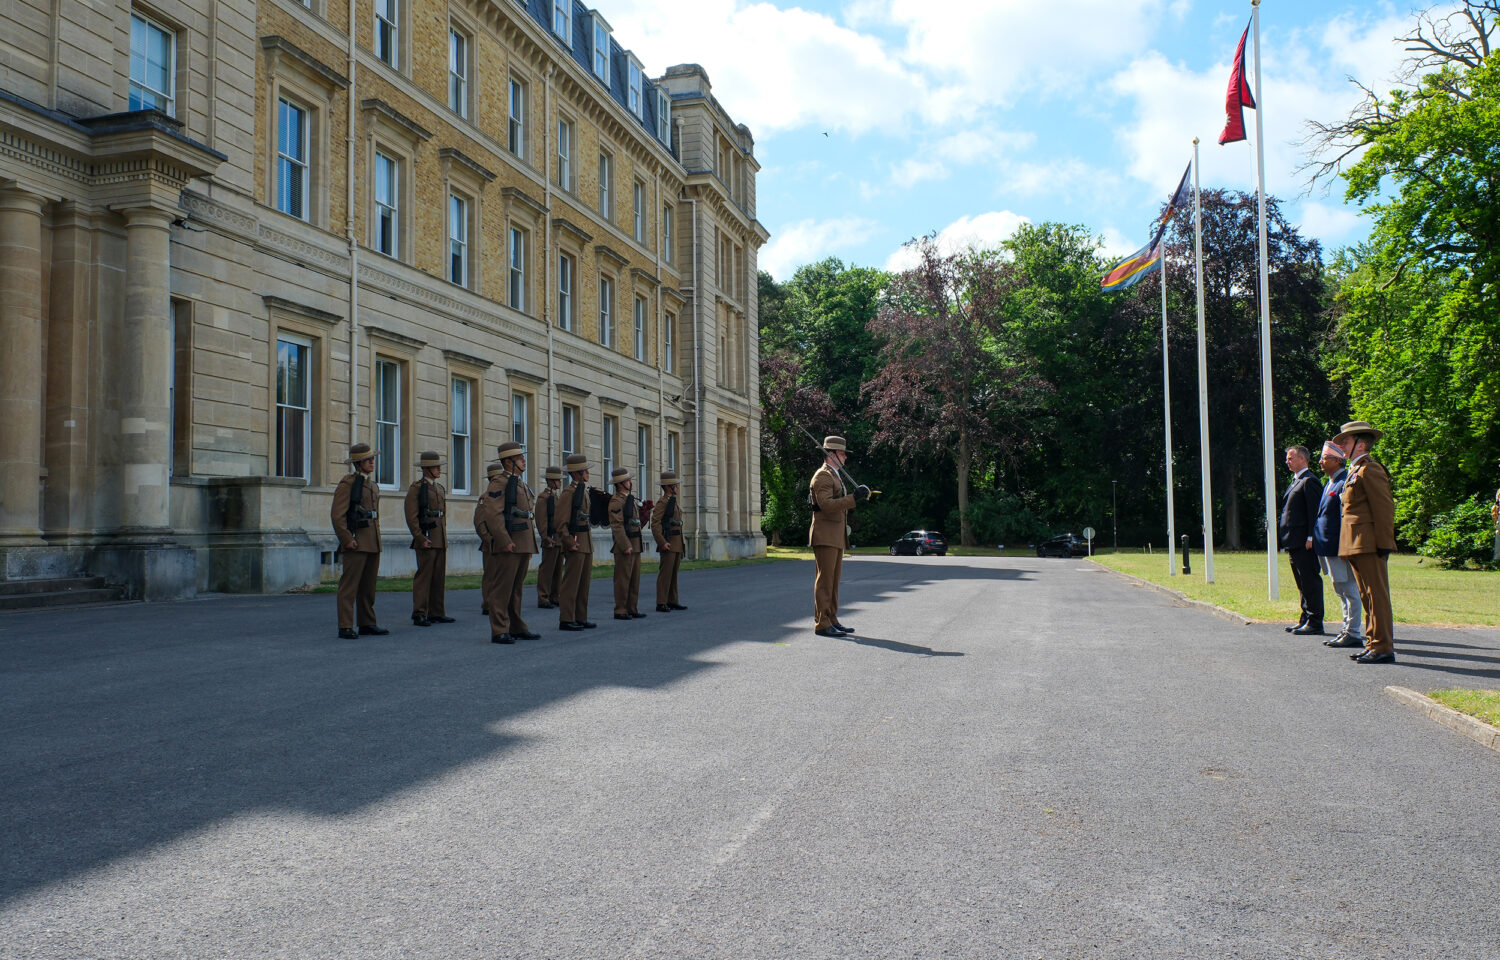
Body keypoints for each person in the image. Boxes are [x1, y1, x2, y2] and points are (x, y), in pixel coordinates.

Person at [1335, 420, 1398, 664]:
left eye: (1346, 442)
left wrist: (1384, 543)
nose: (1342, 446)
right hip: (1357, 542)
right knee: (1366, 596)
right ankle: (1373, 643)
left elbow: (1383, 508)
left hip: (1370, 543)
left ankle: (1383, 647)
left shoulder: (1370, 470)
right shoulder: (1356, 470)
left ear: (1361, 445)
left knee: (1377, 595)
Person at [475, 441, 539, 644]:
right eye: (520, 458)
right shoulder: (499, 483)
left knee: (516, 588)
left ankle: (516, 626)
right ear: (509, 462)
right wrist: (504, 540)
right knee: (502, 589)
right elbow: (493, 515)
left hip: (522, 542)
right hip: (510, 542)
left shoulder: (520, 482)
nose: (524, 460)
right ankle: (499, 629)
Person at [809, 434, 868, 637]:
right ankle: (822, 623)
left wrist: (852, 498)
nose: (845, 458)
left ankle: (831, 618)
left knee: (833, 581)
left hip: (835, 535)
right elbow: (826, 506)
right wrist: (852, 498)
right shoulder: (823, 476)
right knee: (825, 581)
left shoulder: (835, 475)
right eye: (842, 454)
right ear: (831, 454)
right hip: (825, 534)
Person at [330, 441, 387, 639]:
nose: (372, 462)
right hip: (356, 540)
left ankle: (367, 622)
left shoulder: (371, 484)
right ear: (358, 463)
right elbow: (338, 515)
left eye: (372, 459)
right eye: (367, 460)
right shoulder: (348, 484)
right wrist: (346, 538)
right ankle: (345, 625)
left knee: (368, 587)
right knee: (349, 587)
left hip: (372, 539)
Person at [1312, 441, 1364, 650]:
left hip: (1338, 547)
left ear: (1336, 460)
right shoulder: (1331, 481)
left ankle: (1353, 632)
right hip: (1328, 546)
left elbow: (1345, 517)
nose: (1320, 462)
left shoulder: (1343, 481)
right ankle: (1346, 629)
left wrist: (1346, 546)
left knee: (1349, 589)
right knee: (1340, 589)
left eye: (1324, 459)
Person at [1279, 444, 1325, 636]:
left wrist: (1311, 536)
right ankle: (1305, 617)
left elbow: (1314, 512)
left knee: (1309, 580)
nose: (1287, 461)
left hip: (1304, 541)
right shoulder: (1296, 480)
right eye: (1287, 458)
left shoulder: (1309, 481)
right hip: (1293, 540)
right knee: (1301, 581)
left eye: (1291, 458)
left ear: (1302, 459)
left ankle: (1315, 620)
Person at [404, 451, 453, 627]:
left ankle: (437, 611)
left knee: (439, 577)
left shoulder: (439, 488)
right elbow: (412, 515)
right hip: (426, 537)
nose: (439, 469)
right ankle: (419, 612)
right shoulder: (416, 488)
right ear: (426, 469)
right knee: (424, 577)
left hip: (439, 537)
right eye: (435, 467)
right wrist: (419, 536)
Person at [554, 453, 598, 631]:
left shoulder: (582, 491)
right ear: (577, 473)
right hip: (575, 541)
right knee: (571, 583)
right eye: (585, 470)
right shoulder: (568, 493)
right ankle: (566, 618)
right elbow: (560, 522)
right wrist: (568, 541)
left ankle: (580, 616)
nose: (588, 473)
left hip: (585, 541)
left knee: (583, 583)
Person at [608, 467, 647, 621]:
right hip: (625, 545)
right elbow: (617, 525)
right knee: (623, 579)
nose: (630, 482)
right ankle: (620, 609)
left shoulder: (629, 499)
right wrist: (625, 545)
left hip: (635, 543)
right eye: (627, 480)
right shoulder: (616, 501)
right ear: (620, 484)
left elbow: (634, 522)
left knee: (634, 579)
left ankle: (632, 607)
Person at [651, 470, 687, 612]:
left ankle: (672, 600)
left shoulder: (673, 502)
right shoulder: (662, 502)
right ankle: (661, 602)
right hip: (668, 541)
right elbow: (655, 523)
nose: (677, 488)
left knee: (673, 573)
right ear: (668, 487)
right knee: (665, 573)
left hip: (677, 541)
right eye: (675, 485)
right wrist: (661, 541)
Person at [535, 465, 565, 609]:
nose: (560, 483)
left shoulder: (556, 496)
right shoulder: (544, 497)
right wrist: (545, 536)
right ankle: (543, 597)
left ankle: (555, 595)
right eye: (558, 480)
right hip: (550, 537)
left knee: (558, 570)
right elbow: (541, 519)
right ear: (551, 481)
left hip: (559, 539)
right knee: (547, 569)